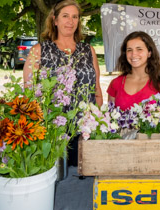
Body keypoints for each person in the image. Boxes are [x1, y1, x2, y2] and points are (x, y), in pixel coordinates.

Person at [23, 0, 103, 167]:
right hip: (53, 131)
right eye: (65, 16)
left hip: (84, 130)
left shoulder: (88, 51)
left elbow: (97, 90)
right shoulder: (39, 50)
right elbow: (29, 94)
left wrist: (95, 121)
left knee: (83, 177)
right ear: (55, 20)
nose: (70, 21)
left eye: (75, 17)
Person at [107, 31, 160, 110]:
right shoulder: (116, 83)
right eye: (129, 50)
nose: (133, 54)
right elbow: (110, 117)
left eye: (139, 49)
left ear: (149, 53)